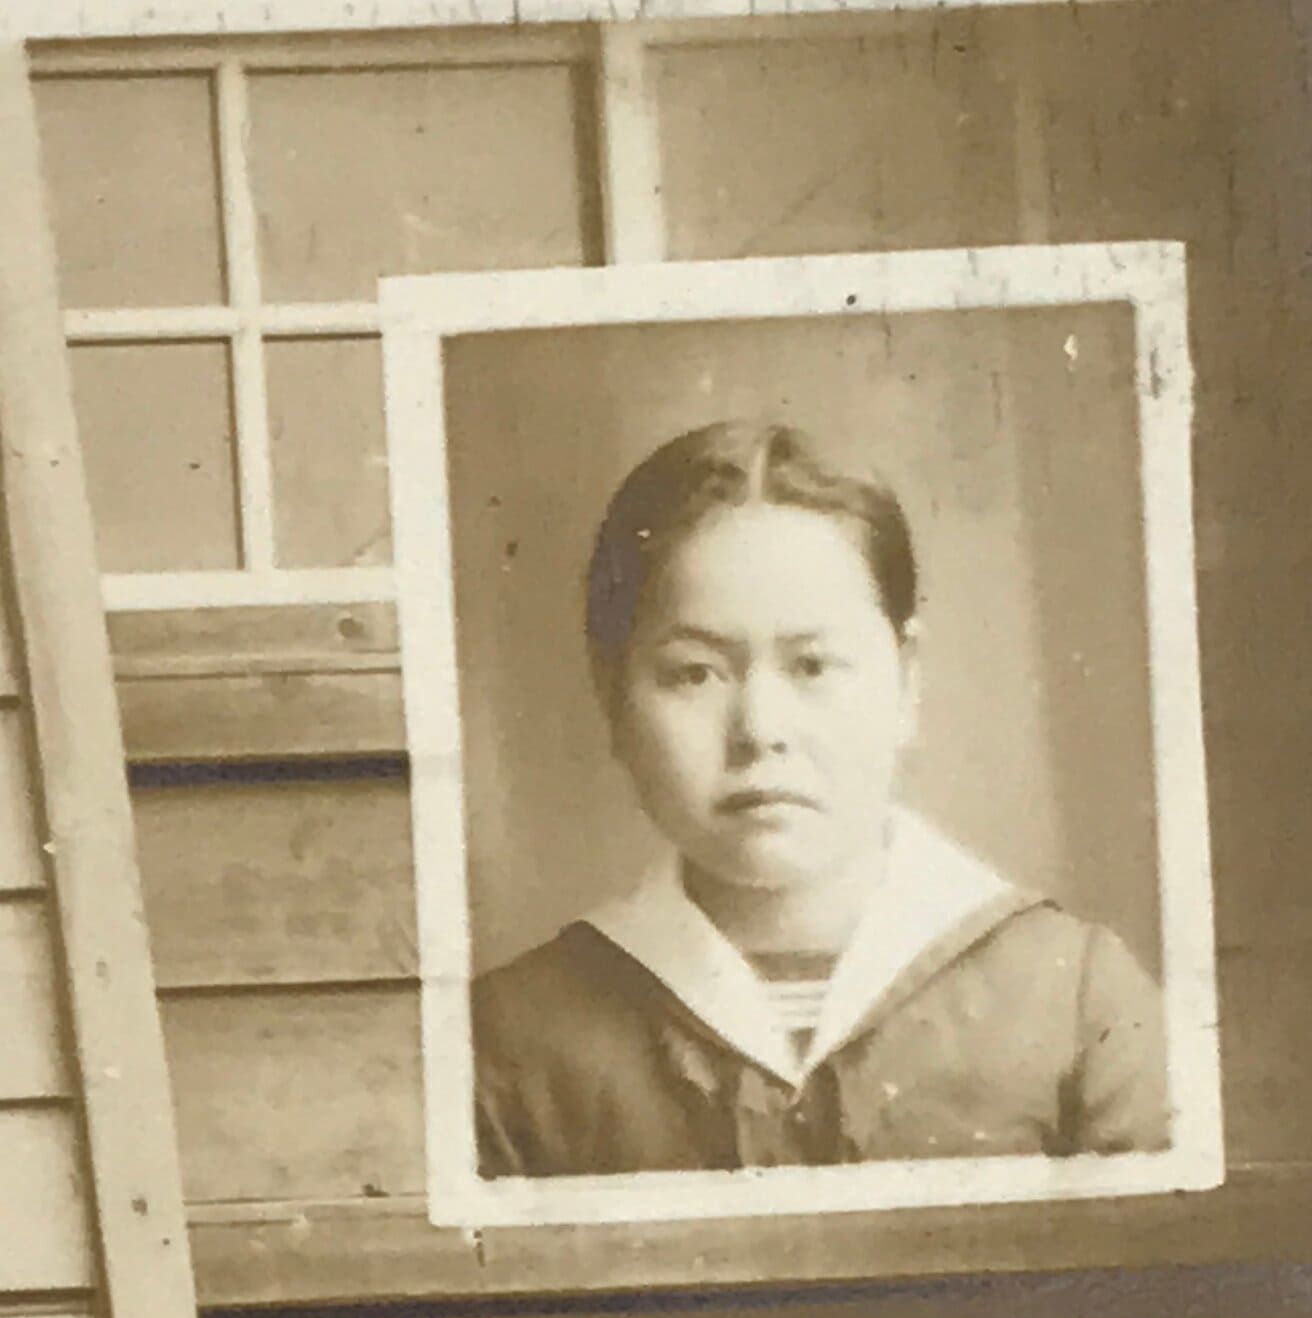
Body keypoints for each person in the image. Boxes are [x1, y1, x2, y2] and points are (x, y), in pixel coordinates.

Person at [472, 419, 1168, 1178]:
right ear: (613, 699)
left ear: (907, 682)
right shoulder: (509, 1041)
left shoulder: (1075, 999)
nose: (761, 730)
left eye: (813, 666)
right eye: (695, 673)